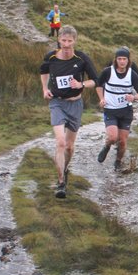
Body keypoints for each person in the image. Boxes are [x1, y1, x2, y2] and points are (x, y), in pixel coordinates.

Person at [39, 25, 98, 198]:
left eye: (69, 41)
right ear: (58, 40)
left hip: (75, 104)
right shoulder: (50, 57)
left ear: (75, 41)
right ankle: (60, 183)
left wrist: (81, 84)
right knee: (60, 142)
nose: (66, 44)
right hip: (57, 103)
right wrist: (44, 89)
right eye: (63, 40)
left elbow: (95, 80)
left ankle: (64, 169)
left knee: (70, 147)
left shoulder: (82, 58)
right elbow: (43, 71)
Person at [95, 47, 138, 171]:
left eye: (124, 59)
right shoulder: (108, 72)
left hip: (126, 111)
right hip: (110, 109)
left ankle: (118, 162)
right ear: (115, 60)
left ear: (128, 61)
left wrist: (134, 97)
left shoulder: (132, 74)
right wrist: (101, 99)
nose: (122, 61)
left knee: (122, 141)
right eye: (119, 59)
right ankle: (107, 146)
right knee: (113, 137)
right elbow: (98, 85)